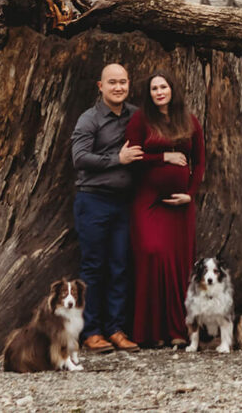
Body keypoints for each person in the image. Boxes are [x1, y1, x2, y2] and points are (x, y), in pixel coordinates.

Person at [126, 70, 206, 347]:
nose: (159, 92)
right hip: (147, 200)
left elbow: (201, 163)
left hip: (180, 206)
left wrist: (190, 195)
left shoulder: (190, 120)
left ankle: (176, 331)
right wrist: (164, 156)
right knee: (151, 253)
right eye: (154, 89)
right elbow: (133, 157)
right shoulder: (141, 120)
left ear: (172, 89)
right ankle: (149, 332)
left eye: (163, 87)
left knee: (177, 266)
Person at [70, 63, 144, 354]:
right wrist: (118, 158)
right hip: (93, 201)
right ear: (100, 86)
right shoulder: (89, 119)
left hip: (125, 203)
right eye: (112, 82)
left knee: (120, 266)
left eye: (123, 82)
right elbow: (79, 157)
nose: (118, 87)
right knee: (93, 267)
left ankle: (115, 328)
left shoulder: (136, 115)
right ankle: (91, 332)